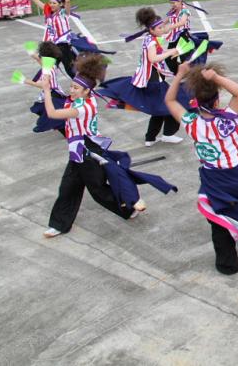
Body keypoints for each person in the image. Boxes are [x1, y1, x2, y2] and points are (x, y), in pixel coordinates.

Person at [39, 54, 161, 238]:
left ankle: (129, 207)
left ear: (86, 91)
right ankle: (59, 224)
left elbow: (52, 113)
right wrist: (45, 77)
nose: (71, 90)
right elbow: (62, 93)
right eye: (71, 86)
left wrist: (46, 91)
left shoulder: (82, 108)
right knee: (68, 188)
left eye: (76, 88)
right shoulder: (84, 98)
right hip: (78, 151)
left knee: (98, 191)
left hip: (88, 152)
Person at [165, 62, 238, 275]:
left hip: (213, 177)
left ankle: (227, 264)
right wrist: (216, 78)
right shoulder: (227, 121)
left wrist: (180, 75)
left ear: (196, 102)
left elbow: (170, 100)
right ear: (218, 99)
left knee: (218, 217)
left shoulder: (191, 123)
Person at [98, 7, 184, 146]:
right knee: (171, 104)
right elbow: (153, 58)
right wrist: (170, 52)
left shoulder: (153, 38)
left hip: (153, 79)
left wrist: (171, 49)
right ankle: (167, 134)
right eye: (160, 27)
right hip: (154, 81)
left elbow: (160, 48)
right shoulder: (151, 41)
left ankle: (151, 138)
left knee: (159, 108)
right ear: (152, 30)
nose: (163, 29)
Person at [32, 0, 74, 76]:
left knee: (69, 69)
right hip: (51, 46)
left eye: (54, 3)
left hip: (63, 46)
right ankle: (49, 88)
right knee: (48, 69)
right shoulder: (48, 12)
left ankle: (83, 86)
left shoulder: (63, 13)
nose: (51, 5)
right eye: (50, 3)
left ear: (61, 4)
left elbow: (67, 1)